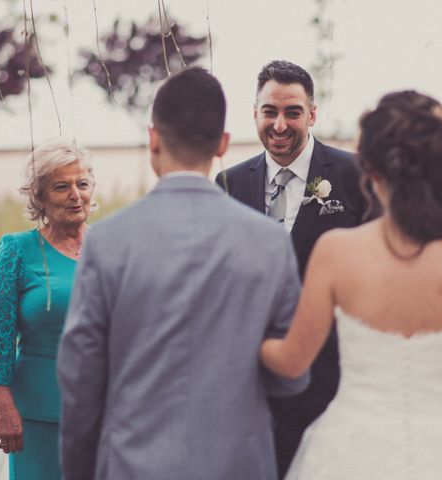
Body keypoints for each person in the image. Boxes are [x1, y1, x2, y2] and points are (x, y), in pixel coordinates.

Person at [260, 90, 442, 479]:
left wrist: (256, 338)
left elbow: (292, 361)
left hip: (351, 451)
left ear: (369, 169)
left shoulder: (336, 252)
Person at [57, 67, 308, 480]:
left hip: (134, 465)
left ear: (153, 139)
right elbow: (292, 375)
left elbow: (81, 379)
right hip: (239, 465)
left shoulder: (106, 242)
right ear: (223, 144)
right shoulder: (270, 242)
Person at [216, 59, 367, 476]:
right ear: (255, 113)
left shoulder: (355, 176)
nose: (279, 124)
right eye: (270, 112)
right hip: (253, 381)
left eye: (292, 112)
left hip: (333, 376)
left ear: (312, 114)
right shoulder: (229, 184)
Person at [0, 141, 96, 479]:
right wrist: (3, 408)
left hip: (104, 408)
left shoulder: (110, 247)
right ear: (39, 196)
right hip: (38, 411)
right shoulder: (16, 250)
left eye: (82, 184)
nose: (76, 194)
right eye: (62, 186)